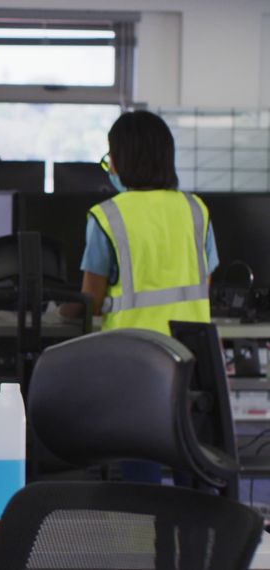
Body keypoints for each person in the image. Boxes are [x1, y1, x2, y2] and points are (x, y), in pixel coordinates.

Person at [64, 109, 218, 483]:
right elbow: (205, 282)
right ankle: (198, 535)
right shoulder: (195, 209)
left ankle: (143, 535)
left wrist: (61, 309)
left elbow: (91, 299)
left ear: (120, 160)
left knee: (139, 457)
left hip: (135, 355)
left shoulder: (108, 215)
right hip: (191, 355)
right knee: (189, 456)